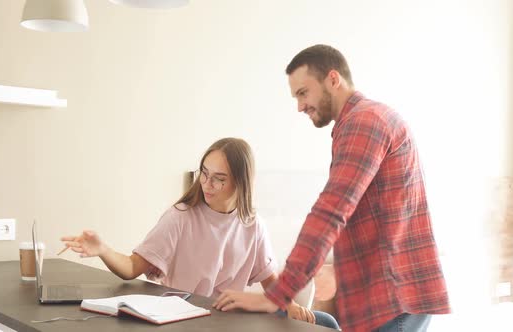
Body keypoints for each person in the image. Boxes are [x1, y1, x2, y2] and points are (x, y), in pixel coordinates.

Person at [213, 45, 451, 331]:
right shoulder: (365, 120)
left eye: (303, 92)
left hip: (393, 300)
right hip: (389, 295)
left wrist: (278, 295)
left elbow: (331, 211)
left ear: (333, 79)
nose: (299, 106)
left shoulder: (365, 122)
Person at [61, 137, 339, 329]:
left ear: (241, 183)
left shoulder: (253, 226)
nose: (207, 184)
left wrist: (289, 306)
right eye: (204, 174)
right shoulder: (180, 217)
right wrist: (103, 250)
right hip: (185, 318)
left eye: (219, 178)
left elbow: (272, 285)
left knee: (327, 324)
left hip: (230, 318)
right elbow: (132, 267)